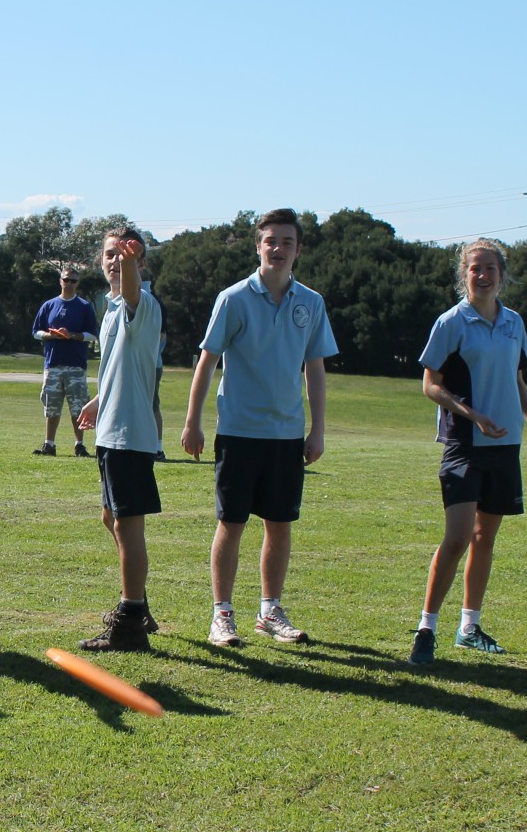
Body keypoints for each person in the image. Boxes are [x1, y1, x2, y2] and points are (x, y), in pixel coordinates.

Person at [180, 208, 336, 647]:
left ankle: (270, 611)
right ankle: (222, 615)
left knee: (280, 524)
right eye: (271, 241)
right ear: (258, 246)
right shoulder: (233, 299)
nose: (279, 249)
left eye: (288, 242)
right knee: (231, 523)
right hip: (239, 432)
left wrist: (318, 429)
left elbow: (315, 368)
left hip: (286, 435)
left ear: (298, 249)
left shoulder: (311, 302)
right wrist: (192, 422)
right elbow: (207, 360)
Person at [409, 237, 527, 666]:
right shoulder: (451, 322)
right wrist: (472, 415)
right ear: (464, 274)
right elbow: (430, 385)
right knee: (456, 539)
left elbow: (517, 381)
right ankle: (426, 629)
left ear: (502, 275)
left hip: (504, 447)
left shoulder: (513, 323)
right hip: (464, 445)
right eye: (475, 268)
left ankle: (469, 627)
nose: (483, 275)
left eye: (490, 268)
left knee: (483, 539)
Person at [76, 227, 164, 651]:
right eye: (109, 254)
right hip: (111, 428)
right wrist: (97, 401)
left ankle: (130, 619)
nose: (115, 260)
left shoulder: (140, 303)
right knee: (111, 519)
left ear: (140, 263)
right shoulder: (110, 309)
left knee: (128, 525)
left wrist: (129, 265)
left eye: (126, 255)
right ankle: (139, 603)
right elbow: (121, 366)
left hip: (129, 435)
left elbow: (131, 292)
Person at [31, 266, 99, 456]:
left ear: (78, 283)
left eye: (73, 281)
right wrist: (49, 335)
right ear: (60, 281)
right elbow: (36, 331)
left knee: (78, 407)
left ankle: (79, 444)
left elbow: (93, 334)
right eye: (66, 280)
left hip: (75, 365)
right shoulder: (49, 305)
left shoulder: (84, 307)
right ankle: (49, 444)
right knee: (51, 406)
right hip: (53, 364)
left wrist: (73, 336)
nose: (68, 284)